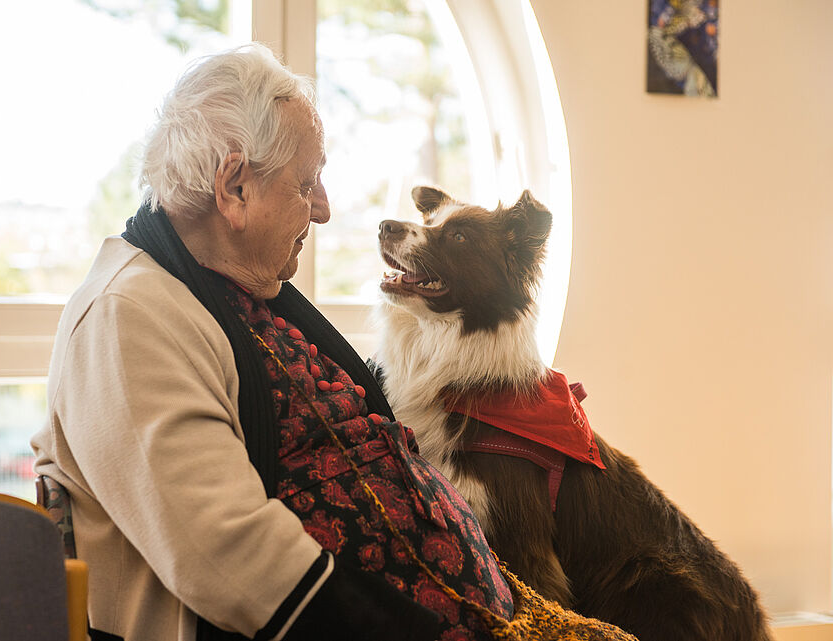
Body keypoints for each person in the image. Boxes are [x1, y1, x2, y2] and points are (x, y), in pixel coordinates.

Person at [31, 44, 636, 641]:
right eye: (307, 183)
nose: (323, 209)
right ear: (234, 187)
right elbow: (227, 560)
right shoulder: (126, 317)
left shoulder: (229, 287)